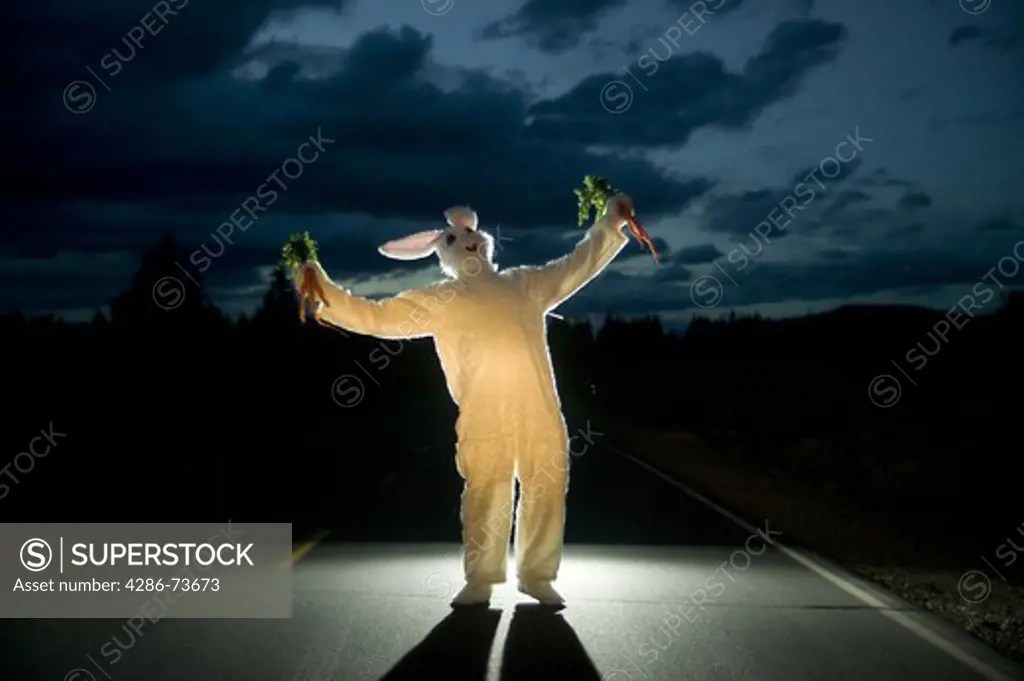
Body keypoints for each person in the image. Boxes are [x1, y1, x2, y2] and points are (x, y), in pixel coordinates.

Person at [295, 194, 635, 606]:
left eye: (471, 233)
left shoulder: (525, 284)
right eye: (455, 240)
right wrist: (322, 289)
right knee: (486, 488)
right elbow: (378, 317)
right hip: (483, 408)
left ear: (486, 241)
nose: (468, 241)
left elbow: (574, 267)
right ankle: (480, 579)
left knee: (546, 483)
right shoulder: (440, 301)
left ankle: (537, 575)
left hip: (537, 403)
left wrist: (609, 225)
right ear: (444, 255)